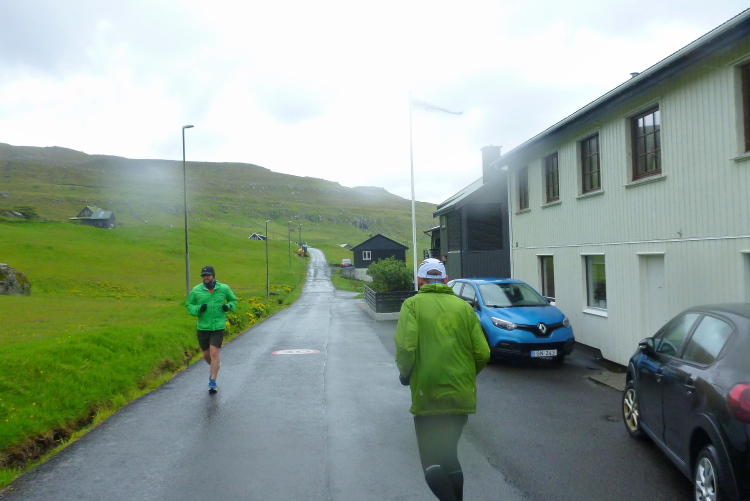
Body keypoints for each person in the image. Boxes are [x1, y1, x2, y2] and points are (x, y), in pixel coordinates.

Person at [394, 260, 490, 501]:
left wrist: (405, 374)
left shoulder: (412, 305)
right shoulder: (464, 307)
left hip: (429, 395)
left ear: (420, 281)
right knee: (449, 456)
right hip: (460, 394)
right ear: (446, 281)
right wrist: (465, 377)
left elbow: (406, 348)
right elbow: (483, 353)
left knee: (432, 462)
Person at [185, 265, 237, 393]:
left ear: (213, 276)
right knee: (206, 355)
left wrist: (228, 306)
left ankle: (212, 381)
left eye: (208, 275)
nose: (206, 277)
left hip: (218, 326)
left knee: (214, 353)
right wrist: (198, 309)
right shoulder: (196, 290)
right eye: (204, 276)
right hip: (203, 327)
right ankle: (216, 366)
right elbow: (189, 305)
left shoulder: (223, 288)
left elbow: (233, 300)